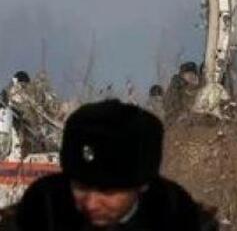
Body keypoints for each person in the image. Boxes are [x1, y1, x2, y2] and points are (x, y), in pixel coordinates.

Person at [0, 99, 218, 231]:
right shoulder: (36, 218)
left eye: (108, 191)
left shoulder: (179, 220)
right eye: (81, 187)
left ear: (142, 184)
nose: (92, 203)